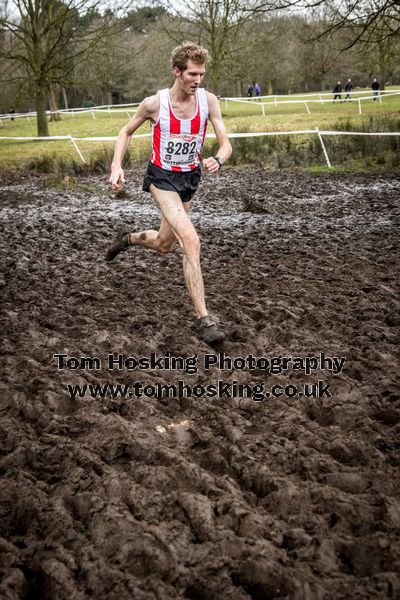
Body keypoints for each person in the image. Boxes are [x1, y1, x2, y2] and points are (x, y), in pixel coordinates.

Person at [106, 41, 232, 345]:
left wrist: (218, 158)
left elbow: (226, 144)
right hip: (161, 179)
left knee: (165, 244)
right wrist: (116, 166)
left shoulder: (209, 101)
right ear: (177, 71)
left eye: (201, 74)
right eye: (192, 73)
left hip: (190, 179)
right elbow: (126, 131)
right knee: (190, 240)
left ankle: (128, 238)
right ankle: (204, 319)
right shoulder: (154, 104)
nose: (198, 80)